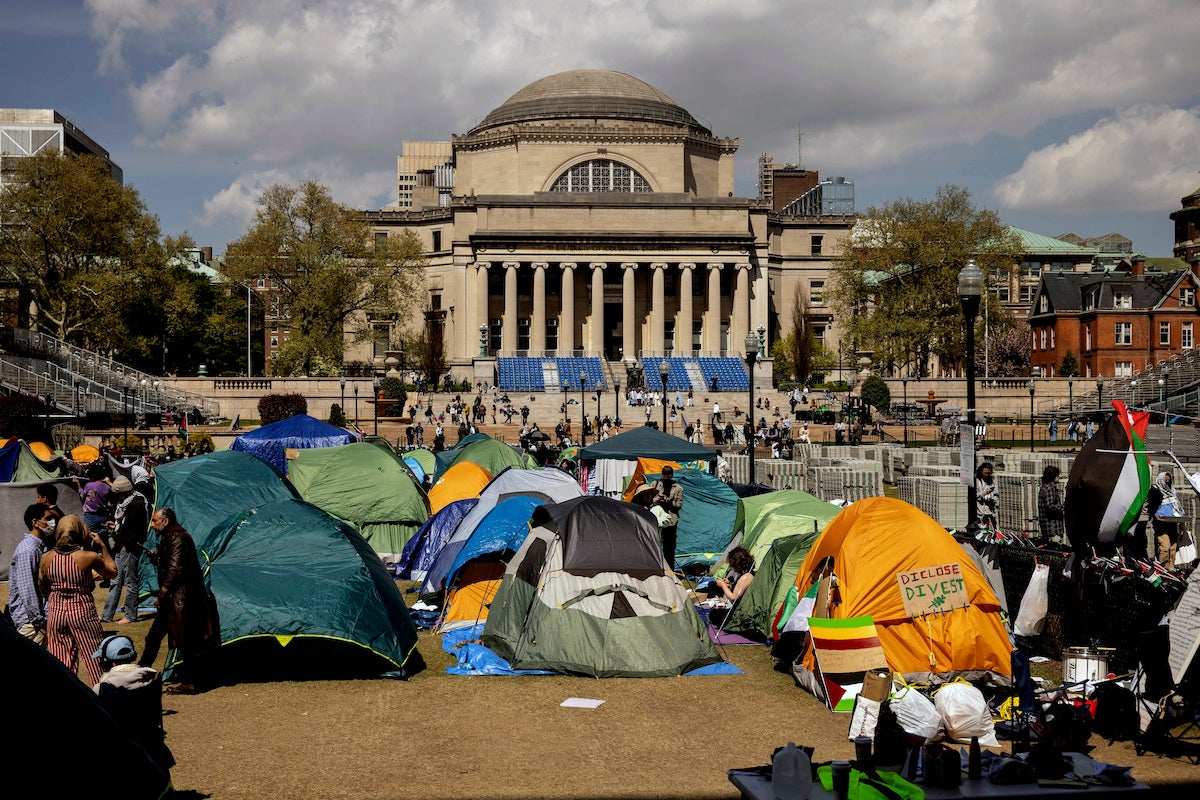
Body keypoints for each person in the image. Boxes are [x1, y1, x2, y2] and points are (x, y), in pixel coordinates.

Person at [140, 507, 219, 694]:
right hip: (175, 599)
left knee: (185, 642)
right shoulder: (172, 537)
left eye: (155, 521)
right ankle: (142, 671)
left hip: (179, 599)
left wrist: (162, 593)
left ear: (165, 521)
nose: (152, 526)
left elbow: (175, 569)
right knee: (156, 637)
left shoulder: (176, 537)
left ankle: (191, 682)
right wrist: (158, 556)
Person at [38, 514, 116, 684]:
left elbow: (43, 587)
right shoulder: (88, 557)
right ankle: (101, 697)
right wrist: (102, 545)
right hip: (82, 612)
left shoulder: (46, 558)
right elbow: (112, 571)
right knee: (95, 658)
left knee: (62, 662)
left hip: (56, 613)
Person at [92, 634, 175, 771]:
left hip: (121, 747)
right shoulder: (150, 681)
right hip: (151, 741)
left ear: (112, 663)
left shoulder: (103, 688)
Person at [101, 476, 149, 624]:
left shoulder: (136, 504)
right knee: (115, 581)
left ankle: (130, 615)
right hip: (121, 547)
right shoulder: (126, 503)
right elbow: (125, 525)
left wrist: (126, 545)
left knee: (130, 582)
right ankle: (107, 615)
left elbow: (136, 529)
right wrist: (115, 527)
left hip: (129, 548)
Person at [9, 503, 54, 644]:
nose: (52, 522)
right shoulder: (28, 550)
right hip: (31, 623)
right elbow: (27, 588)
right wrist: (38, 619)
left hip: (36, 619)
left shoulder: (38, 546)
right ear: (35, 522)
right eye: (48, 518)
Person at [650, 466, 684, 570]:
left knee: (669, 549)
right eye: (664, 474)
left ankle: (670, 570)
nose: (666, 476)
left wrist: (669, 502)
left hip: (670, 521)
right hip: (656, 520)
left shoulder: (678, 488)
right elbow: (646, 499)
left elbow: (678, 505)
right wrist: (655, 500)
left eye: (668, 474)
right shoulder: (654, 485)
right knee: (654, 546)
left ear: (672, 475)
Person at [1146, 470, 1181, 566]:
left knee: (1173, 547)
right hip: (1161, 523)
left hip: (1173, 522)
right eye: (1165, 481)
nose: (1167, 483)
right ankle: (1163, 568)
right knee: (1165, 546)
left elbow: (1177, 506)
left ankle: (1171, 567)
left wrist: (1181, 516)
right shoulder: (1155, 491)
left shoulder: (1173, 491)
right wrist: (1155, 516)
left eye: (1169, 481)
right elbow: (1151, 506)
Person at [1037, 465, 1065, 546]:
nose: (1058, 477)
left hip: (1048, 528)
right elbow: (1050, 506)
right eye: (1057, 475)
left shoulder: (1045, 487)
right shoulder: (1050, 489)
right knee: (1055, 548)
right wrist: (1064, 506)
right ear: (1053, 477)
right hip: (1053, 529)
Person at [975, 462, 999, 531]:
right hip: (980, 511)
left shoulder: (992, 481)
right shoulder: (977, 481)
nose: (987, 475)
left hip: (990, 511)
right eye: (985, 473)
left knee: (992, 530)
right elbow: (975, 496)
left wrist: (994, 499)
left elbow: (996, 494)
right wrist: (984, 493)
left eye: (989, 473)